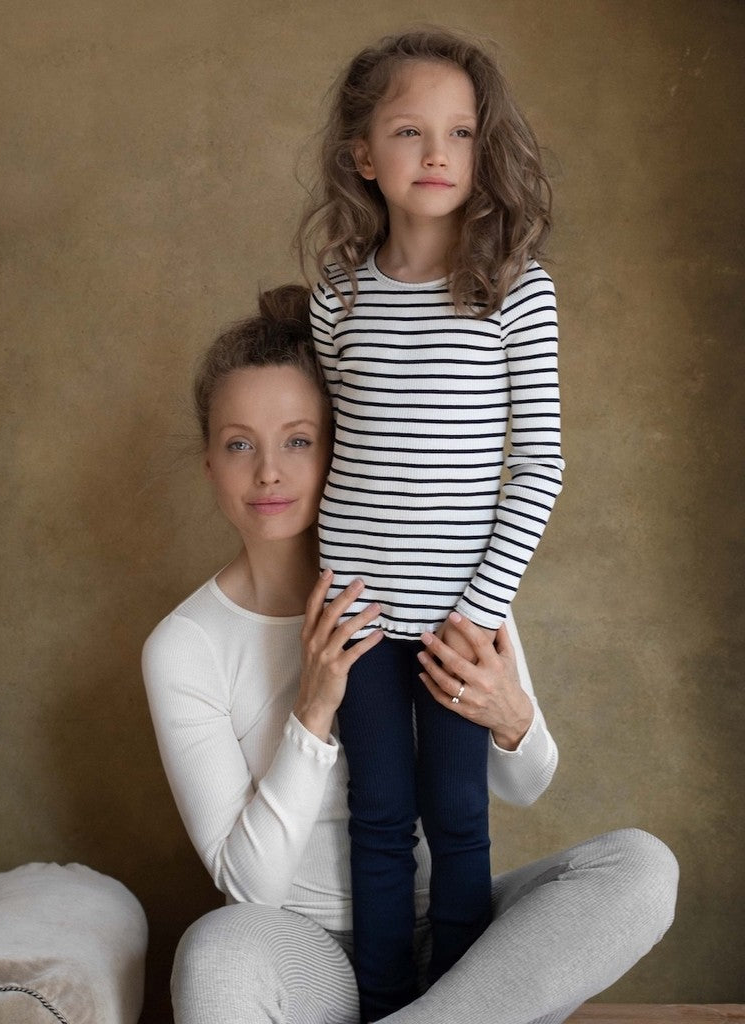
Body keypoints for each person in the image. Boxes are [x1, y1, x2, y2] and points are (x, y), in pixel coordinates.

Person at [142, 287, 677, 1024]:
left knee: (640, 866)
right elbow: (250, 888)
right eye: (240, 445)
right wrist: (312, 711)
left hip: (469, 945)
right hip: (311, 955)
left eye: (298, 441)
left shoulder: (441, 575)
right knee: (214, 952)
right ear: (208, 462)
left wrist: (510, 715)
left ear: (347, 445)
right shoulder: (185, 645)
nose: (268, 472)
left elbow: (525, 785)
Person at [295, 28, 564, 1017]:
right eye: (409, 131)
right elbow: (338, 454)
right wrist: (331, 594)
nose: (438, 153)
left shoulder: (516, 291)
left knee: (456, 818)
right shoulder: (337, 298)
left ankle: (458, 1003)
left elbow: (540, 467)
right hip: (359, 616)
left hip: (462, 622)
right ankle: (380, 1001)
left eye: (460, 132)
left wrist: (480, 612)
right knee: (378, 817)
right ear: (364, 154)